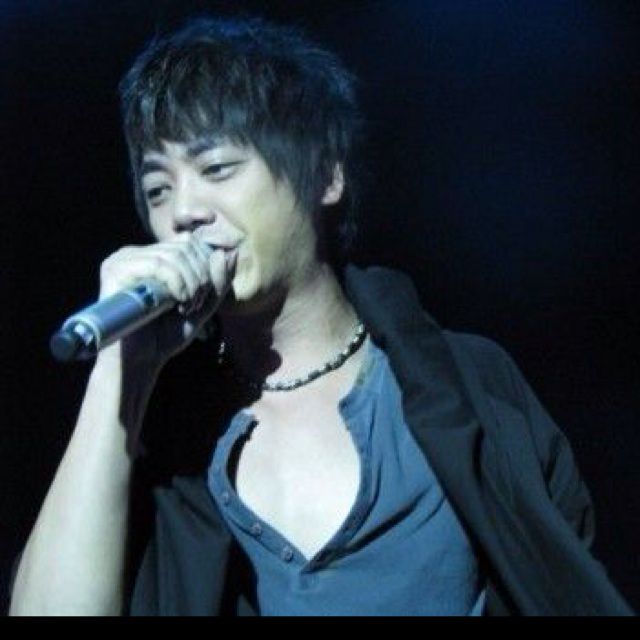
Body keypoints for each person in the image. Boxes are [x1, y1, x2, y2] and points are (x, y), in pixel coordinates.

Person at [8, 14, 635, 616]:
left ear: (326, 175)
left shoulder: (468, 386)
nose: (184, 211)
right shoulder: (162, 429)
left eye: (217, 168)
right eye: (158, 189)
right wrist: (120, 373)